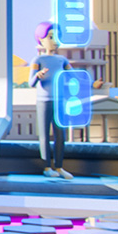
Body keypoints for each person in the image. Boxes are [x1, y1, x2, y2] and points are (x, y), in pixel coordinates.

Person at [29, 21, 73, 179]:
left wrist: (93, 84)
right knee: (44, 135)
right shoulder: (37, 60)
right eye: (50, 37)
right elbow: (31, 83)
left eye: (57, 36)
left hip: (59, 101)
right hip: (44, 101)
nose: (55, 40)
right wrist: (38, 75)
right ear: (40, 40)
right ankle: (47, 167)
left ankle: (59, 167)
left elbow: (73, 76)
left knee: (60, 135)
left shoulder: (62, 60)